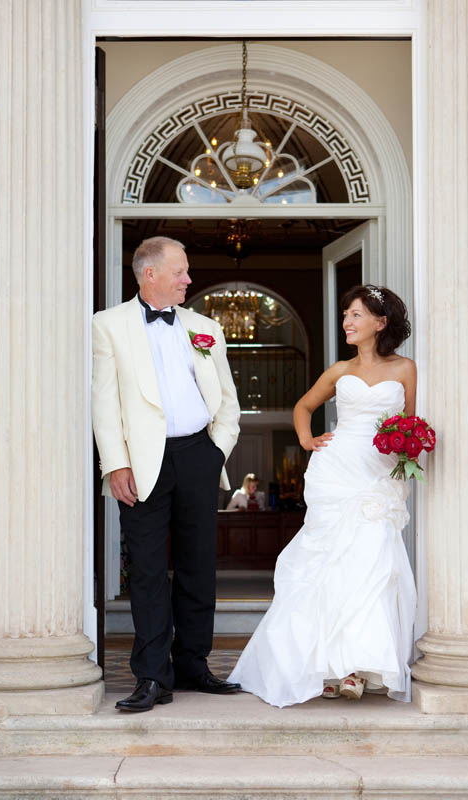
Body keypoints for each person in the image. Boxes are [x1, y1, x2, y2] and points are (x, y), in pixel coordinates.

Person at [229, 284, 417, 707]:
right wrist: (308, 440)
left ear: (380, 323)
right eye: (346, 314)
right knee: (327, 566)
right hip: (335, 472)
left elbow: (409, 422)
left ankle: (356, 667)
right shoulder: (338, 370)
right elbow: (302, 407)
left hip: (377, 475)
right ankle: (331, 668)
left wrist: (409, 446)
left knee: (370, 565)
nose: (347, 322)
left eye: (356, 315)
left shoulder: (405, 368)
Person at [91, 236, 241, 712]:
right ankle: (154, 676)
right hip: (139, 463)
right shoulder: (107, 325)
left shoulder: (205, 328)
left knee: (199, 567)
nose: (188, 280)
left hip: (199, 455)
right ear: (149, 273)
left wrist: (217, 451)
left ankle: (194, 664)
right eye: (180, 271)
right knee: (150, 571)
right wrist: (115, 462)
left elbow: (228, 399)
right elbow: (104, 401)